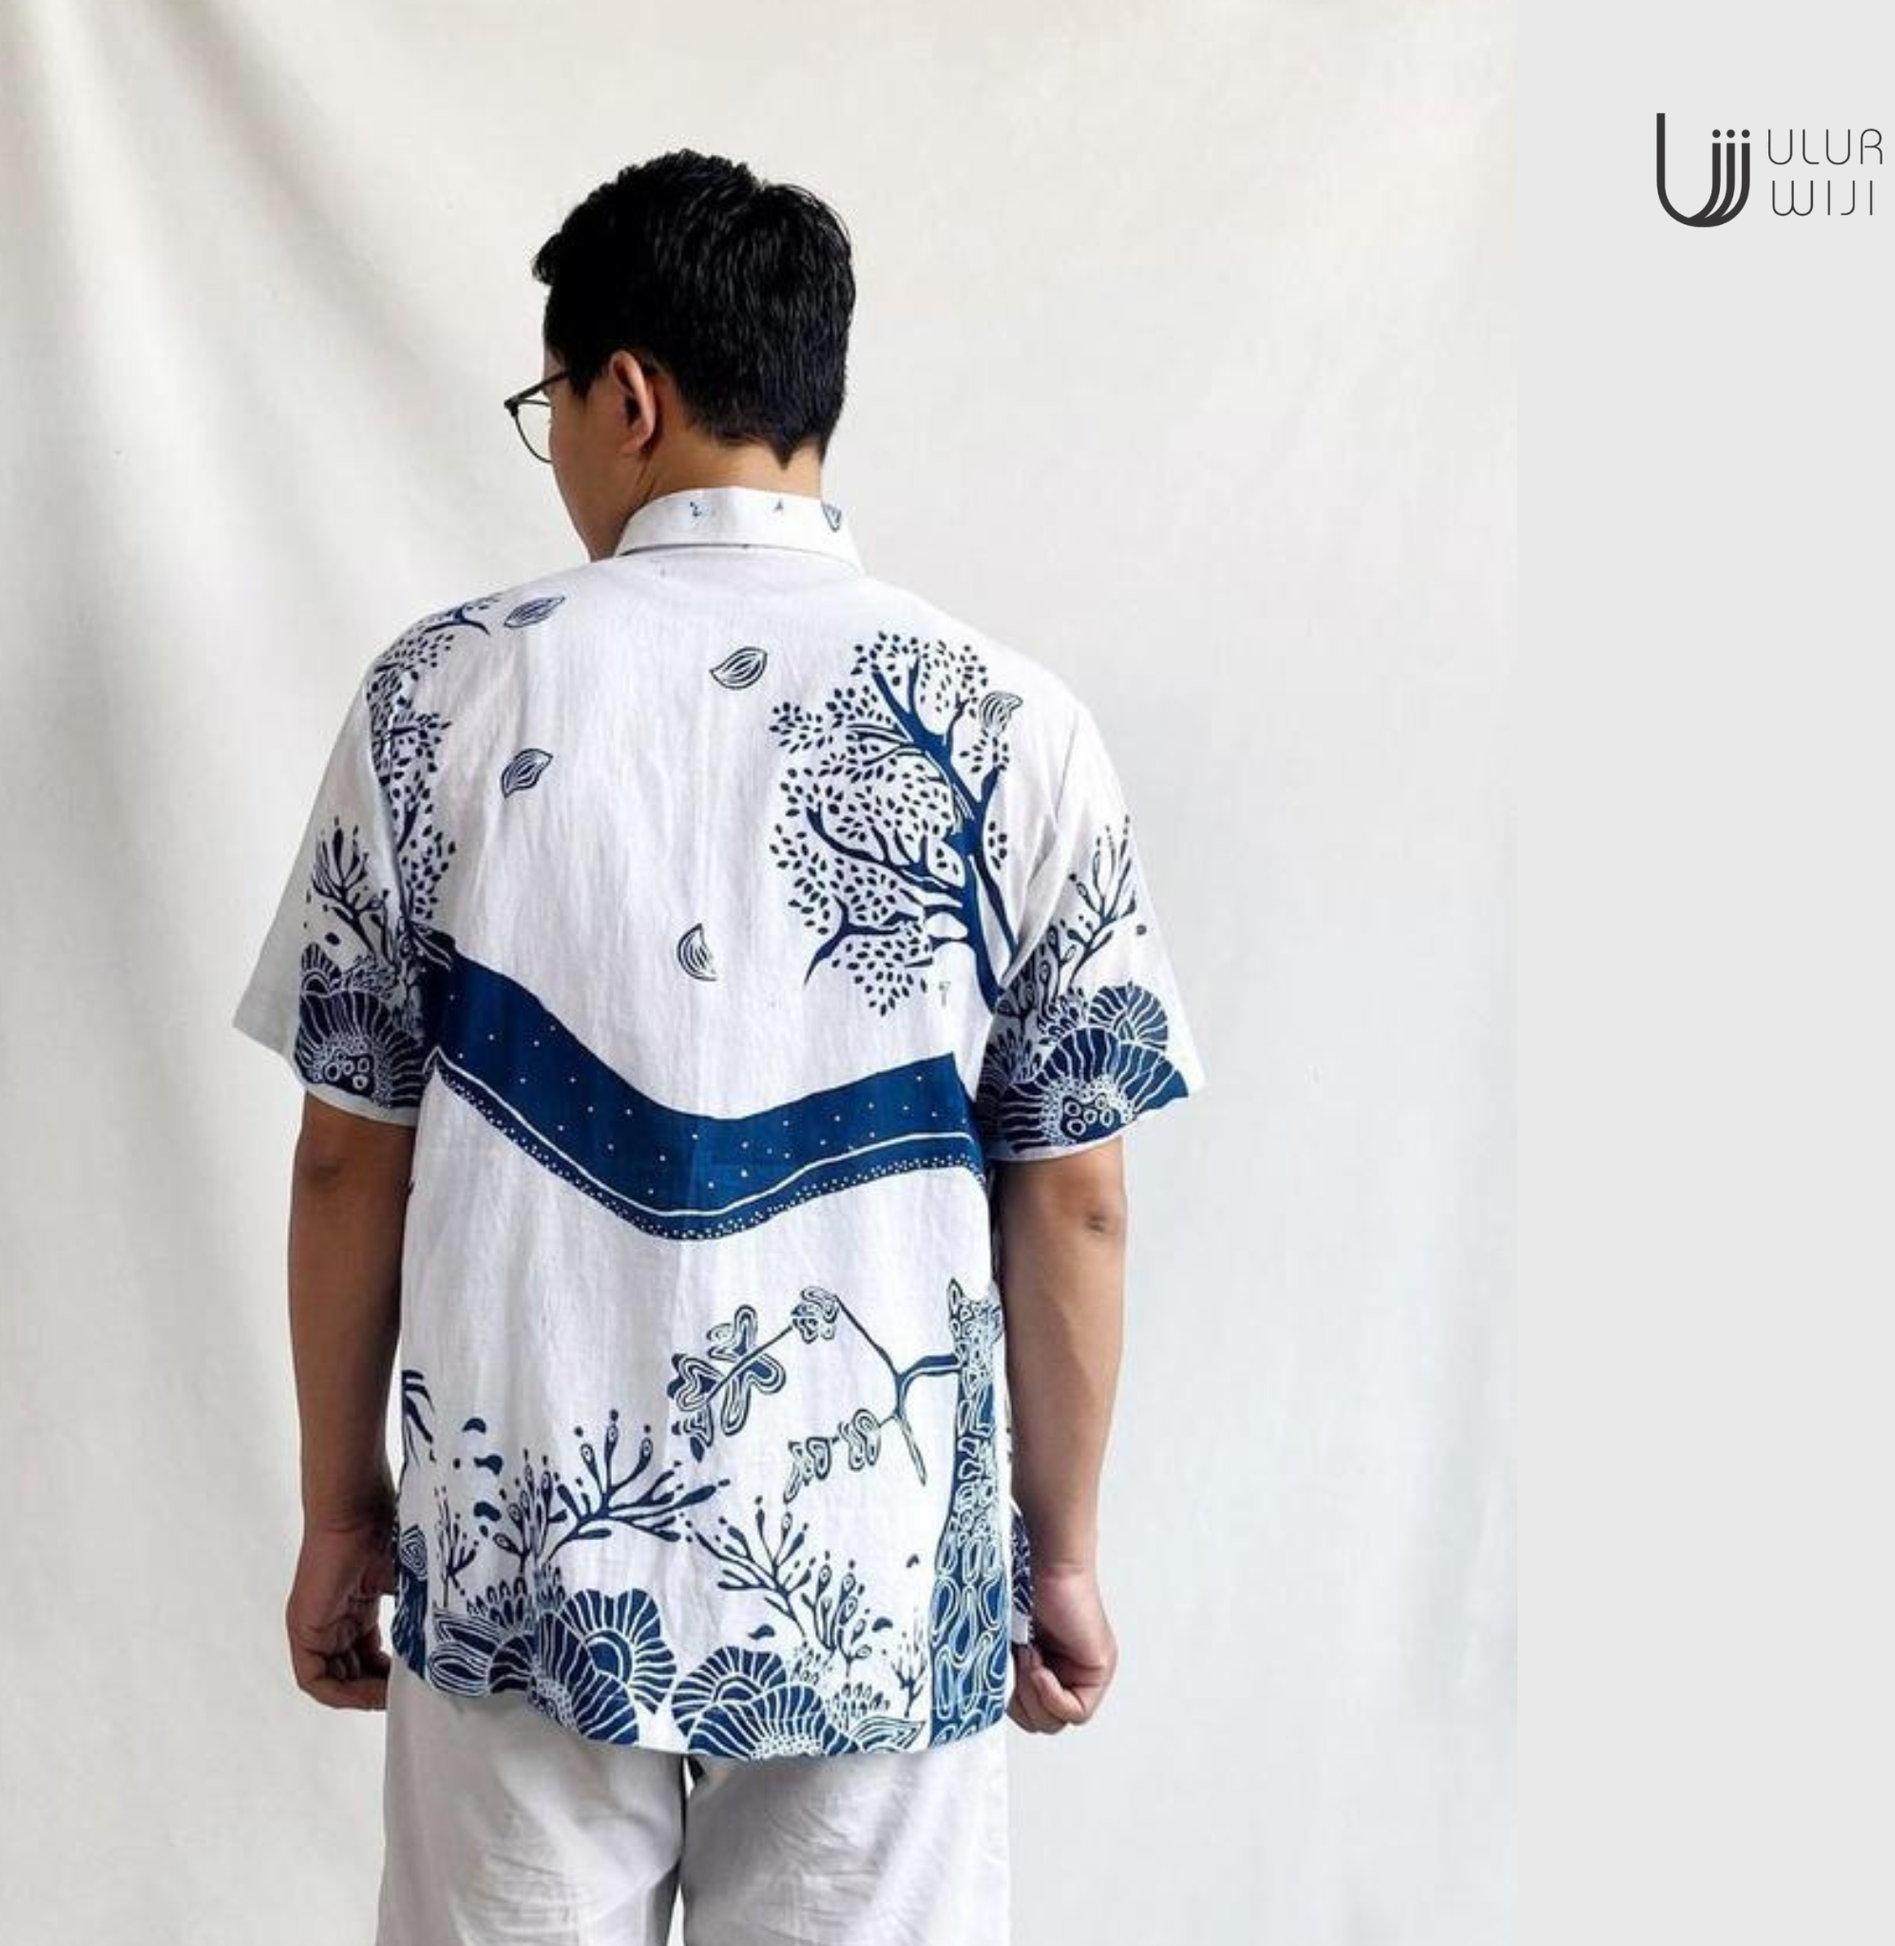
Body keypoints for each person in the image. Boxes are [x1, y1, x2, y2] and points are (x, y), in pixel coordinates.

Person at [231, 148, 1207, 1946]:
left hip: (522, 1550)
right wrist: (1055, 1549)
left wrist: (341, 1511)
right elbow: (1075, 1194)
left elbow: (344, 1153)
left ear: (627, 395)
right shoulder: (1010, 723)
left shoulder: (439, 694)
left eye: (550, 406)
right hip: (879, 1566)